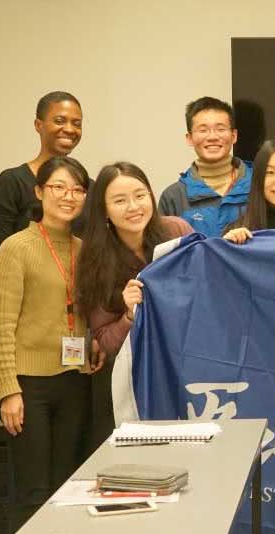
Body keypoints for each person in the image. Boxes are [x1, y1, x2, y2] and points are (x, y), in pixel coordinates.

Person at [0, 156, 104, 529]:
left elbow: (82, 310)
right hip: (29, 386)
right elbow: (0, 325)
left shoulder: (85, 249)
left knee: (68, 488)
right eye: (58, 187)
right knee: (33, 493)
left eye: (77, 189)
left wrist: (93, 342)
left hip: (75, 380)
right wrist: (7, 390)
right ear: (39, 192)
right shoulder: (16, 247)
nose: (68, 196)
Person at [76, 162, 192, 449]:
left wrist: (231, 242)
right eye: (119, 200)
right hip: (132, 378)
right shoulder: (94, 258)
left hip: (184, 365)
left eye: (140, 195)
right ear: (103, 210)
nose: (133, 207)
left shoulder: (176, 230)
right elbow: (105, 341)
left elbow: (209, 278)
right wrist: (128, 315)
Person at [0, 91, 84, 303]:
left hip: (78, 309)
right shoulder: (13, 181)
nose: (69, 129)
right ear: (38, 125)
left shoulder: (88, 188)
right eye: (60, 121)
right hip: (28, 306)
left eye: (76, 123)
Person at [159, 97, 252, 237]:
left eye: (220, 129)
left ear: (234, 135)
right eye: (203, 130)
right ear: (189, 138)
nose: (212, 137)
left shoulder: (259, 184)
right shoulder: (174, 197)